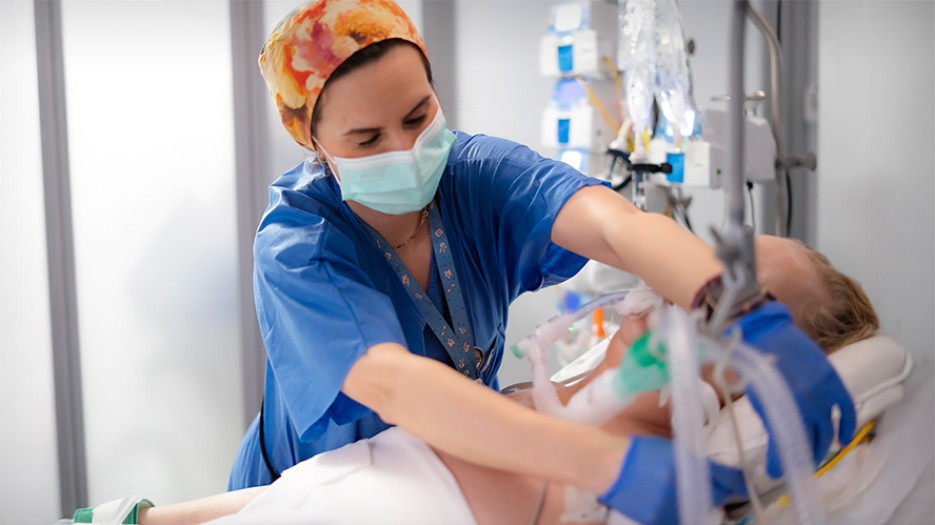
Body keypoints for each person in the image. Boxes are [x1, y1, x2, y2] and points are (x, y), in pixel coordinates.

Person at [229, 0, 855, 519]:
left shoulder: (476, 177)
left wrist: (742, 309)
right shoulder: (301, 243)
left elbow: (617, 228)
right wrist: (605, 464)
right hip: (298, 492)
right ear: (313, 140)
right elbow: (394, 385)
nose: (408, 148)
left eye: (419, 116)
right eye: (367, 139)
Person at [73, 235, 879, 525]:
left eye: (739, 299)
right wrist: (149, 518)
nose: (685, 286)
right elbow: (327, 484)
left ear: (762, 377)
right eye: (707, 260)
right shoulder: (510, 415)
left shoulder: (614, 486)